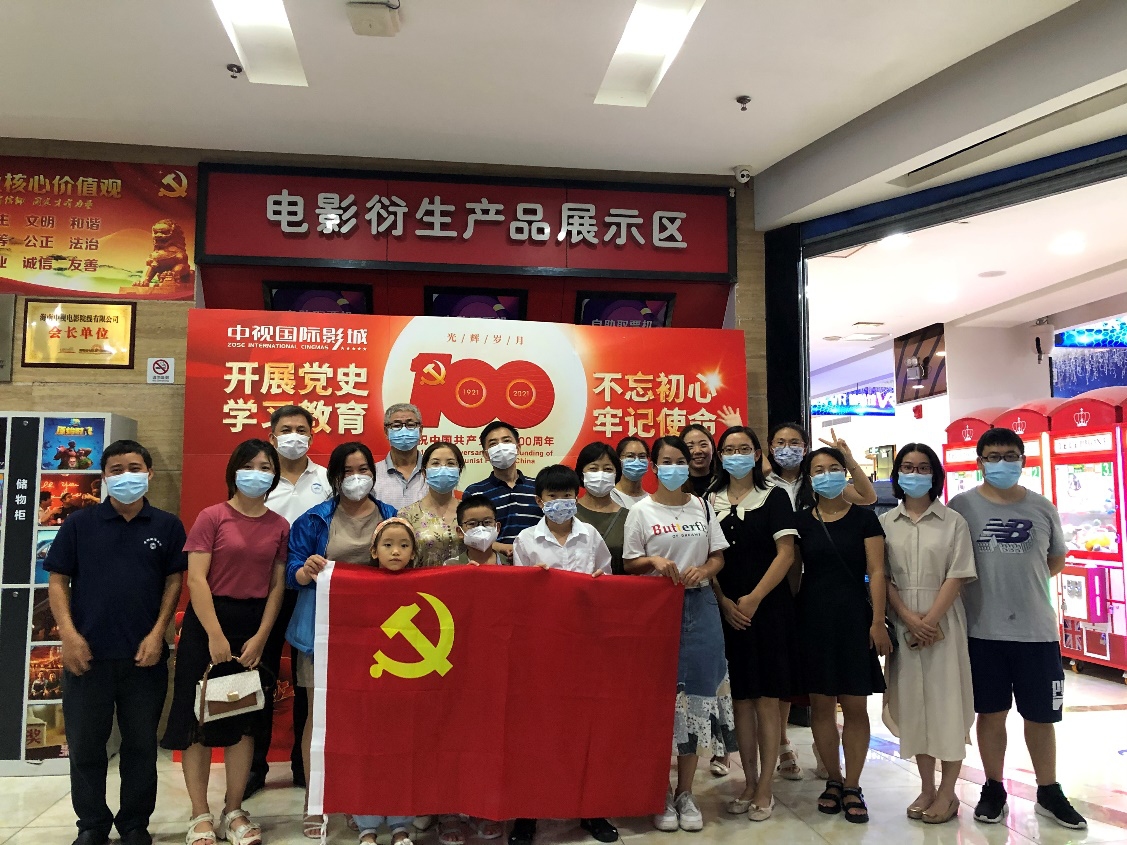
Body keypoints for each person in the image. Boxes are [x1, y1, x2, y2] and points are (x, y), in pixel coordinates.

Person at [45, 439, 186, 845]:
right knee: (86, 746)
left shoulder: (167, 525)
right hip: (86, 656)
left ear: (149, 473)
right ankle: (91, 824)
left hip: (145, 656)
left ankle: (135, 824)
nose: (127, 476)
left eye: (135, 468)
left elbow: (174, 581)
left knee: (141, 746)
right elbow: (57, 580)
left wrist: (159, 633)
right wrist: (68, 636)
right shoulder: (79, 524)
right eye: (117, 470)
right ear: (104, 477)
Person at [948, 428, 1086, 830]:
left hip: (1036, 633)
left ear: (1023, 460)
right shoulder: (962, 506)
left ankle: (1049, 791)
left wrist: (1022, 584)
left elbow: (1055, 559)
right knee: (990, 713)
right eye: (993, 456)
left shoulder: (1042, 507)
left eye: (1010, 456)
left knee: (1042, 716)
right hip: (982, 631)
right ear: (979, 462)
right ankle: (994, 788)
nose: (1002, 463)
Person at [161, 440, 290, 845]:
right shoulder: (212, 516)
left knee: (244, 718)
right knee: (198, 719)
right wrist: (215, 635)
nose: (257, 473)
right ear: (234, 471)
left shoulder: (279, 525)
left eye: (266, 467)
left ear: (275, 475)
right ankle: (199, 813)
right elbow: (197, 580)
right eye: (249, 465)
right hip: (208, 623)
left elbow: (276, 585)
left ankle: (234, 809)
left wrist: (262, 637)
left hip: (254, 627)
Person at [623, 436, 736, 833]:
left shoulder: (701, 506)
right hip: (656, 609)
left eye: (680, 461)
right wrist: (653, 561)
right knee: (659, 699)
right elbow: (630, 562)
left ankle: (686, 791)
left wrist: (704, 571)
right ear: (654, 467)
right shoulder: (640, 511)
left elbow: (718, 556)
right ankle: (660, 792)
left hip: (700, 607)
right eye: (666, 461)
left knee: (697, 698)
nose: (674, 468)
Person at [286, 442, 397, 840]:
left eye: (363, 469)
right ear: (334, 476)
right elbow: (292, 571)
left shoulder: (390, 515)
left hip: (374, 634)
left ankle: (353, 797)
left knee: (363, 720)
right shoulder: (314, 518)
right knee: (319, 719)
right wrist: (305, 570)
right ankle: (315, 801)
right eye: (347, 471)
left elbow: (405, 565)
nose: (356, 478)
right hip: (321, 631)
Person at [509, 465, 616, 845]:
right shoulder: (526, 539)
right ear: (539, 501)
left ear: (577, 497)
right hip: (541, 648)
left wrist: (601, 584)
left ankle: (591, 810)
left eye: (567, 495)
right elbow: (517, 596)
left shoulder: (591, 536)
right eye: (552, 496)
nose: (560, 502)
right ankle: (527, 814)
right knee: (535, 731)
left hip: (586, 646)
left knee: (586, 728)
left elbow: (606, 581)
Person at [763, 421, 875, 781]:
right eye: (780, 442)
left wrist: (848, 459)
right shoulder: (769, 486)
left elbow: (868, 497)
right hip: (797, 597)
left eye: (795, 442)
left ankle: (838, 769)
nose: (787, 448)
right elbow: (793, 568)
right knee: (804, 689)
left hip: (846, 607)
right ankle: (792, 749)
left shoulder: (841, 500)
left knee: (846, 698)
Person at [794, 446, 891, 824]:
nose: (826, 475)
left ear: (845, 472)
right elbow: (794, 574)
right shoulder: (801, 521)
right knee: (820, 706)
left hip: (854, 618)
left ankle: (853, 784)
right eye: (818, 470)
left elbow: (877, 571)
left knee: (854, 705)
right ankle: (833, 779)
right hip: (812, 619)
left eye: (834, 468)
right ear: (809, 478)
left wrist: (878, 621)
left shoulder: (864, 519)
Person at [881, 443, 976, 825]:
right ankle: (926, 787)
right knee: (914, 708)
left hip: (944, 624)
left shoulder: (953, 522)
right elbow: (883, 577)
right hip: (904, 625)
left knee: (947, 706)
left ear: (935, 475)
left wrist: (930, 621)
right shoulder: (886, 523)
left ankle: (948, 793)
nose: (915, 474)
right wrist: (908, 617)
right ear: (897, 474)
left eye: (923, 468)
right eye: (907, 467)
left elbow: (958, 574)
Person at [708, 426, 798, 822]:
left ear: (757, 454)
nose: (736, 455)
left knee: (766, 699)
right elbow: (707, 557)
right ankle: (748, 781)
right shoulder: (708, 500)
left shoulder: (774, 495)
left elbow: (786, 553)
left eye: (744, 448)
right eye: (729, 449)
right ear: (720, 456)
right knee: (740, 700)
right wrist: (724, 601)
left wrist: (754, 597)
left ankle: (765, 786)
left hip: (768, 608)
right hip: (727, 612)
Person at [248, 405, 331, 798]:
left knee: (307, 682)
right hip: (264, 591)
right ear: (271, 435)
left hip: (311, 592)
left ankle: (303, 765)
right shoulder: (258, 477)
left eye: (301, 429)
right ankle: (253, 768)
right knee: (258, 676)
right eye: (286, 429)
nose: (294, 436)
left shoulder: (326, 479)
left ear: (312, 436)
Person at [351, 517, 421, 845]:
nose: (396, 552)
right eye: (388, 545)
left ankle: (400, 825)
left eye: (404, 546)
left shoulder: (426, 585)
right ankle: (366, 826)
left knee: (404, 753)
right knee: (368, 752)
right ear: (374, 550)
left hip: (408, 687)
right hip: (370, 684)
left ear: (414, 553)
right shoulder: (357, 585)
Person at [463, 421, 541, 557]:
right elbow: (469, 536)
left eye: (506, 441)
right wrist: (501, 547)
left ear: (518, 448)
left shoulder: (539, 488)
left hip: (537, 562)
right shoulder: (474, 492)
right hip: (493, 563)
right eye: (493, 444)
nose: (501, 447)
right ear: (486, 454)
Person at [399, 441, 465, 568]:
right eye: (435, 463)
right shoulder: (407, 515)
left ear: (459, 470)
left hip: (463, 579)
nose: (443, 468)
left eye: (450, 463)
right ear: (424, 472)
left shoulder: (469, 512)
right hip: (421, 580)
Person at [574, 442, 630, 574]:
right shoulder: (567, 514)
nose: (601, 474)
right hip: (576, 585)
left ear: (616, 475)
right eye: (593, 469)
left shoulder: (628, 517)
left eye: (608, 469)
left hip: (616, 585)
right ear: (582, 475)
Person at [374, 402, 428, 510]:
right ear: (386, 432)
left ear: (420, 430)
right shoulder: (373, 473)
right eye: (396, 425)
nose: (404, 430)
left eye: (410, 425)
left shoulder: (434, 473)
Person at [445, 495, 511, 567]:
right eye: (472, 523)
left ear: (497, 528)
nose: (481, 528)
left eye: (487, 522)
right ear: (460, 532)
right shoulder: (451, 565)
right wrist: (463, 572)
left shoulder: (511, 563)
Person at [611, 436, 650, 508]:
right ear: (618, 460)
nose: (637, 461)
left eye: (642, 456)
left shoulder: (651, 501)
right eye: (630, 456)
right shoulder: (609, 498)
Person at [680, 424, 717, 498]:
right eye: (690, 447)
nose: (697, 451)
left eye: (703, 445)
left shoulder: (724, 482)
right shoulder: (676, 486)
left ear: (712, 448)